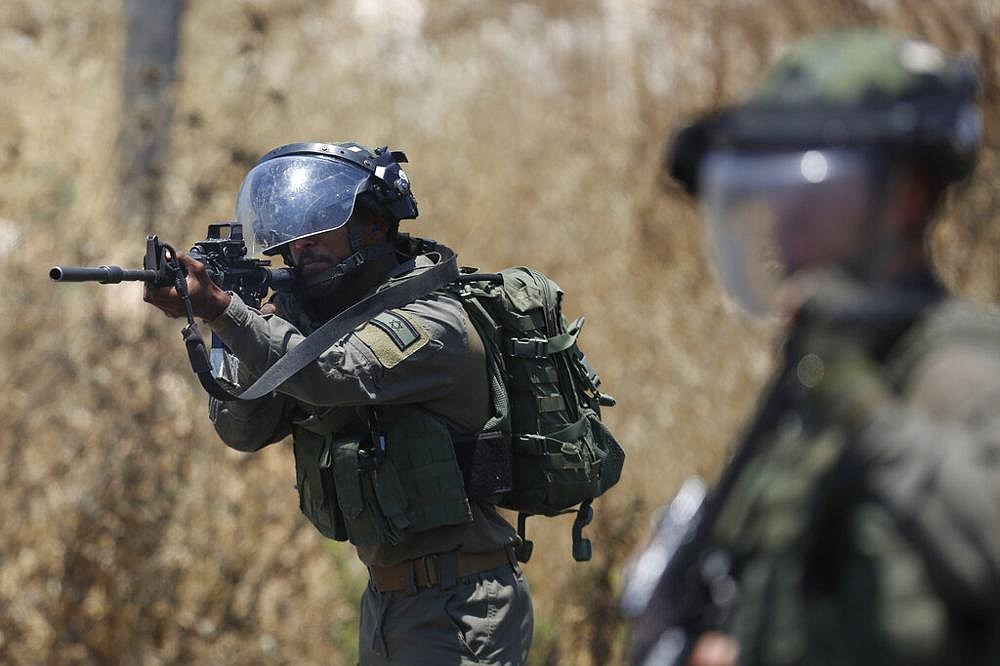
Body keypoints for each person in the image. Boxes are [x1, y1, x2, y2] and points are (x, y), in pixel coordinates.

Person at [625, 29, 1000, 666]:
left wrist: (862, 409)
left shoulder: (952, 368)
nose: (787, 227)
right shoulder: (825, 366)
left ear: (907, 196)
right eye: (775, 200)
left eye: (814, 197)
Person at [143, 141, 533, 665]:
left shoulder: (434, 323)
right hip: (389, 603)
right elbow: (244, 429)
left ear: (375, 225)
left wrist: (225, 311)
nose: (302, 246)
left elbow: (330, 376)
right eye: (295, 236)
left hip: (463, 605)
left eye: (320, 226)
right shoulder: (318, 328)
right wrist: (239, 324)